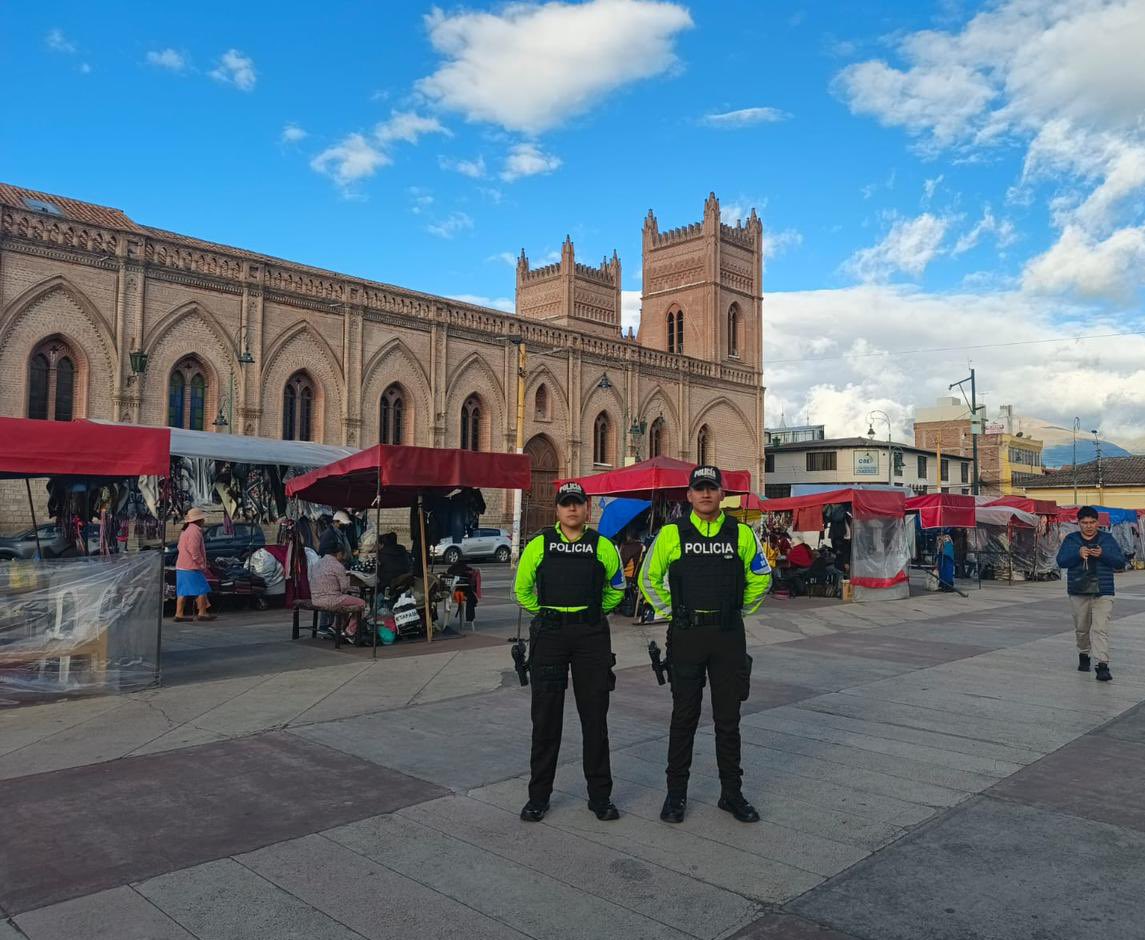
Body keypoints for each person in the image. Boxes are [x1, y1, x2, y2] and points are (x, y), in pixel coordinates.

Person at [639, 466, 771, 824]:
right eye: (699, 488)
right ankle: (675, 796)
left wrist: (738, 609)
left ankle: (732, 795)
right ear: (689, 495)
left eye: (712, 488)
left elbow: (761, 577)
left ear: (722, 494)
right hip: (688, 635)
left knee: (728, 720)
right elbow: (648, 578)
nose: (706, 494)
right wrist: (675, 611)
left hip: (728, 635)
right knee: (684, 717)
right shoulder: (671, 533)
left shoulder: (741, 533)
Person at [514, 481, 626, 823]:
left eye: (578, 503)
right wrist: (547, 613)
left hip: (590, 636)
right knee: (545, 719)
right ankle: (538, 798)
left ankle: (600, 798)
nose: (572, 509)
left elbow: (617, 588)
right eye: (566, 503)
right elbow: (522, 589)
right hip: (550, 635)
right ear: (557, 510)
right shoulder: (540, 544)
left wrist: (592, 613)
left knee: (595, 718)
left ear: (587, 508)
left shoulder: (603, 545)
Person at [1057, 507, 1125, 681]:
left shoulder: (1107, 539)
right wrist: (1078, 554)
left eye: (1092, 522)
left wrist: (1103, 554)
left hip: (1103, 591)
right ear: (1078, 523)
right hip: (1078, 590)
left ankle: (1102, 665)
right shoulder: (1072, 539)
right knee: (1082, 628)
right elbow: (1061, 561)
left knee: (1100, 628)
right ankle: (1084, 654)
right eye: (1084, 523)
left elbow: (1120, 562)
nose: (1088, 526)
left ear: (1097, 522)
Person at [310, 544, 367, 639]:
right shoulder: (337, 566)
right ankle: (350, 631)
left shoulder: (318, 563)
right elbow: (345, 588)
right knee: (361, 603)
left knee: (346, 601)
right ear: (339, 553)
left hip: (315, 598)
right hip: (331, 600)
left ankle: (335, 626)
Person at [174, 507, 215, 622]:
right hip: (191, 567)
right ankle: (202, 613)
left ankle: (179, 614)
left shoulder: (185, 530)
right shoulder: (195, 531)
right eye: (202, 518)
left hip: (181, 565)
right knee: (201, 589)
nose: (204, 521)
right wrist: (201, 563)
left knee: (182, 591)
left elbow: (179, 547)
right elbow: (194, 550)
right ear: (198, 520)